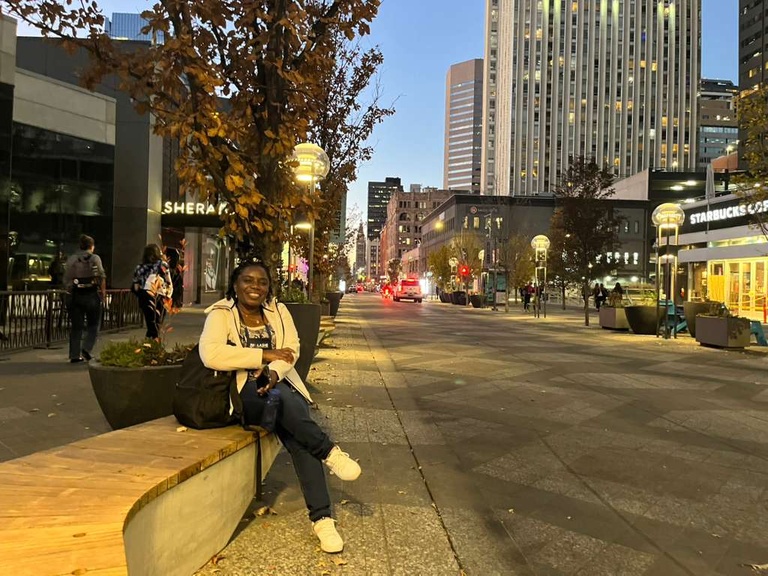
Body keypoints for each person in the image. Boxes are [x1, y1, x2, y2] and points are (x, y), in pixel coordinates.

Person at [199, 258, 361, 554]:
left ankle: (323, 520)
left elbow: (293, 349)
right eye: (248, 280)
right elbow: (211, 354)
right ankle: (327, 452)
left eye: (262, 282)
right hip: (239, 395)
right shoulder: (221, 314)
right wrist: (263, 356)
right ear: (235, 284)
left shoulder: (278, 311)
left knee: (294, 425)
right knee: (284, 404)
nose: (255, 287)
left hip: (279, 386)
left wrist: (274, 371)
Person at [62, 234, 106, 363]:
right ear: (92, 246)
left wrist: (69, 289)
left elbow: (66, 278)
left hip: (75, 295)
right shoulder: (95, 258)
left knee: (76, 326)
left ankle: (74, 355)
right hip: (91, 294)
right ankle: (86, 347)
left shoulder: (72, 259)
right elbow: (101, 275)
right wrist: (102, 292)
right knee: (93, 324)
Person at [131, 244, 173, 339]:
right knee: (157, 323)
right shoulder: (163, 265)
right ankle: (152, 346)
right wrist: (168, 295)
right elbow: (169, 282)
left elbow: (136, 286)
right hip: (160, 296)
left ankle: (150, 345)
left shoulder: (140, 267)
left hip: (145, 296)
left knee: (151, 323)